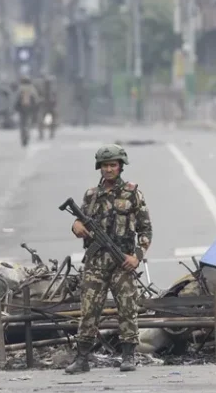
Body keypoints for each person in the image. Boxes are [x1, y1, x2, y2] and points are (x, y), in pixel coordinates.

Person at [65, 144, 153, 374]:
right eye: (105, 165)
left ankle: (128, 356)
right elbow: (80, 220)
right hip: (95, 263)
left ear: (120, 166)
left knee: (127, 307)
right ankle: (82, 358)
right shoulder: (91, 195)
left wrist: (137, 257)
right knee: (89, 310)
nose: (109, 169)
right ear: (99, 167)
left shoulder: (133, 194)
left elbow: (145, 230)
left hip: (122, 262)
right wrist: (76, 226)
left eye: (113, 165)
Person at [14, 75, 40, 144]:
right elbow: (36, 99)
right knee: (28, 122)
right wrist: (36, 108)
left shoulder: (20, 88)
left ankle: (23, 135)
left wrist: (16, 107)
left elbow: (17, 99)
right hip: (30, 109)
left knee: (22, 123)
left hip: (22, 109)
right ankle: (27, 134)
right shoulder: (32, 88)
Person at [37, 74, 58, 139]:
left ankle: (47, 133)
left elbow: (55, 99)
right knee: (43, 121)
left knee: (47, 121)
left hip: (47, 107)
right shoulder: (49, 89)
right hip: (46, 107)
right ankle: (45, 134)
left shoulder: (50, 90)